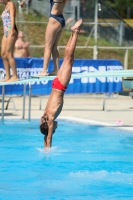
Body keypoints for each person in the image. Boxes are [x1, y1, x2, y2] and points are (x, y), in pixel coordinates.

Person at [40, 19, 83, 149]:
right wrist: (44, 145)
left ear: (50, 129)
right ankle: (73, 33)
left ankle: (75, 32)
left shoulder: (51, 118)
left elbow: (48, 137)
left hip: (60, 87)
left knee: (70, 59)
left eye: (53, 129)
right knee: (68, 57)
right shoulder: (45, 116)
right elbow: (45, 137)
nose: (55, 128)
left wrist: (48, 150)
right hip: (55, 85)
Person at [38, 0, 67, 76]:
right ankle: (56, 69)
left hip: (54, 19)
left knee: (47, 47)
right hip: (61, 19)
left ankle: (44, 71)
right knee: (54, 47)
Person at [0, 0, 19, 82]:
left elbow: (12, 17)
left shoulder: (11, 4)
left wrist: (11, 29)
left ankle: (15, 76)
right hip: (6, 32)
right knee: (3, 54)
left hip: (11, 30)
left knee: (9, 54)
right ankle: (8, 76)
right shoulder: (5, 6)